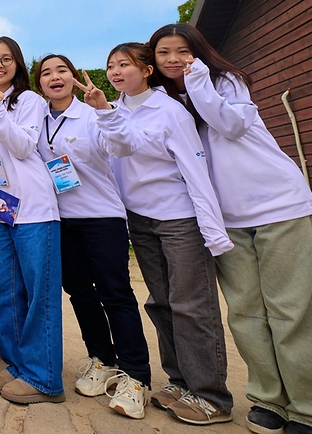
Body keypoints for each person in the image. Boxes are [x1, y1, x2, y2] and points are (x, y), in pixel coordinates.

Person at [149, 24, 312, 434]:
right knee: (247, 314)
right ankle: (269, 400)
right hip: (227, 221)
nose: (173, 59)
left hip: (280, 208)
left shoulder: (225, 82)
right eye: (163, 53)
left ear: (198, 52)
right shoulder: (168, 103)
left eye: (182, 51)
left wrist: (198, 80)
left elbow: (230, 125)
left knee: (295, 311)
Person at [81, 42, 234, 426]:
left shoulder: (169, 111)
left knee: (192, 304)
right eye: (111, 65)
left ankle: (211, 396)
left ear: (147, 70)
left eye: (125, 65)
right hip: (141, 219)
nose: (116, 72)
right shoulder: (113, 111)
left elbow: (193, 168)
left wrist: (211, 229)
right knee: (162, 301)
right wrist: (104, 112)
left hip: (179, 217)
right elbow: (116, 151)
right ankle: (181, 382)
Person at [33, 54, 151, 418]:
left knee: (115, 293)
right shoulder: (37, 118)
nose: (55, 77)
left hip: (101, 217)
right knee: (80, 293)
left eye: (62, 71)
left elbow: (123, 148)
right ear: (39, 83)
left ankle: (136, 376)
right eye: (46, 73)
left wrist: (105, 111)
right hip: (61, 219)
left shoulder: (94, 111)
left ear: (73, 77)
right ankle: (101, 359)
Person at [0, 37, 63, 405]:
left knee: (39, 294)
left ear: (18, 65)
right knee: (1, 292)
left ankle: (45, 378)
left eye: (7, 59)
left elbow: (22, 146)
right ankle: (19, 365)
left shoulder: (30, 102)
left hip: (35, 211)